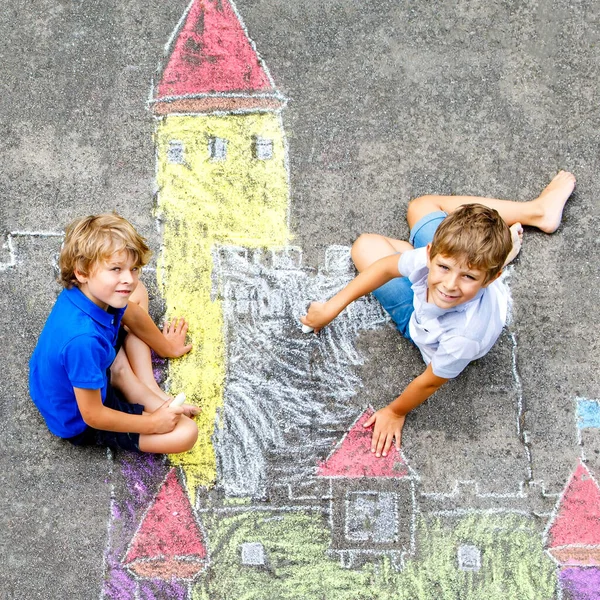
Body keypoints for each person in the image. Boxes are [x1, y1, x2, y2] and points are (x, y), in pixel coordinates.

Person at [301, 171, 576, 458]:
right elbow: (385, 268)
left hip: (424, 327)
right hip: (440, 283)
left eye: (468, 276)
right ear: (432, 253)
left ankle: (518, 235)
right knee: (419, 208)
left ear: (491, 279)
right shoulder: (439, 262)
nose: (450, 284)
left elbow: (430, 380)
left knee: (365, 248)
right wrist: (330, 308)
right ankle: (526, 225)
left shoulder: (464, 337)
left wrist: (396, 411)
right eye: (443, 267)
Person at [29, 213, 199, 454]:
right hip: (80, 418)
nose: (128, 278)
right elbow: (94, 415)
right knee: (186, 434)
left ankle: (136, 382)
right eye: (116, 269)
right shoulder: (82, 341)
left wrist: (167, 347)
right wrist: (153, 423)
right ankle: (128, 380)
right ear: (82, 272)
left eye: (134, 268)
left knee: (136, 292)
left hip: (88, 363)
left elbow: (132, 311)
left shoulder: (86, 292)